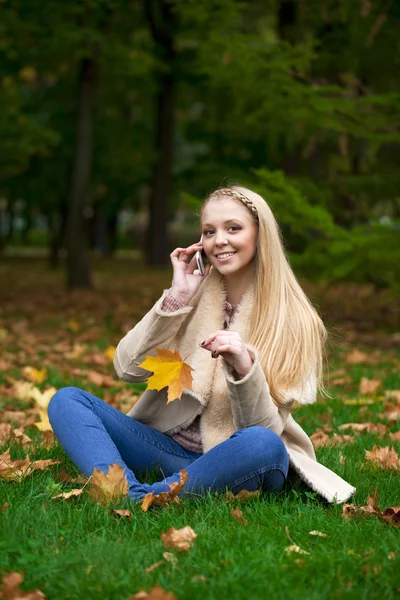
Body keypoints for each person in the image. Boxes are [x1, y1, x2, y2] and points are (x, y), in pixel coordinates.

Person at [48, 186, 356, 504]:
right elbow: (127, 368)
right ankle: (131, 494)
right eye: (209, 231)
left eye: (233, 228)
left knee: (263, 442)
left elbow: (265, 428)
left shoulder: (295, 320)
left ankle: (151, 496)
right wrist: (176, 298)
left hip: (241, 461)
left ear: (260, 234)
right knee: (67, 401)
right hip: (168, 452)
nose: (219, 240)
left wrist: (244, 367)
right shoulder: (190, 297)